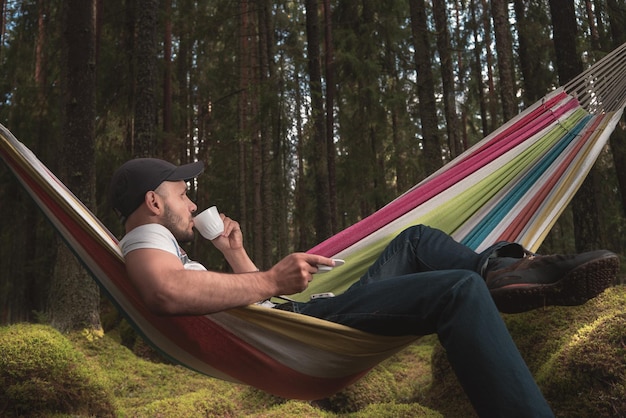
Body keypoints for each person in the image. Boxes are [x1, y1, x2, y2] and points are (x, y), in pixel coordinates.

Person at [109, 157, 619, 417]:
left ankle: (506, 273)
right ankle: (499, 277)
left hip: (297, 319)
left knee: (416, 240)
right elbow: (164, 294)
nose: (193, 205)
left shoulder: (161, 245)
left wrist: (235, 254)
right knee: (457, 291)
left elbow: (250, 304)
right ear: (154, 202)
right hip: (306, 330)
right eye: (183, 193)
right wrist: (269, 277)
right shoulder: (146, 239)